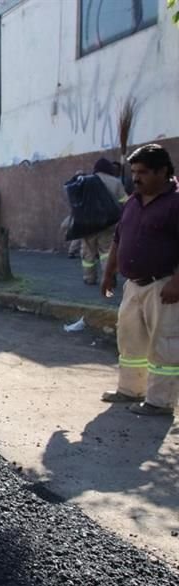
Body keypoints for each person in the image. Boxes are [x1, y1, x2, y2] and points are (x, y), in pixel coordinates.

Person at [100, 144, 179, 417]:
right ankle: (130, 390)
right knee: (130, 340)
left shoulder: (175, 202)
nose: (135, 178)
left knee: (165, 344)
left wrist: (176, 283)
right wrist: (109, 272)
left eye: (143, 172)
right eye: (133, 171)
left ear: (163, 171)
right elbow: (119, 238)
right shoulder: (133, 201)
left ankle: (160, 402)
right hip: (133, 285)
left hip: (164, 287)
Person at [81, 158, 127, 285]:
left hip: (87, 224)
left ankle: (89, 278)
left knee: (88, 253)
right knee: (107, 252)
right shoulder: (115, 182)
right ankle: (110, 278)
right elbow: (125, 201)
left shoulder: (86, 181)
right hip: (108, 223)